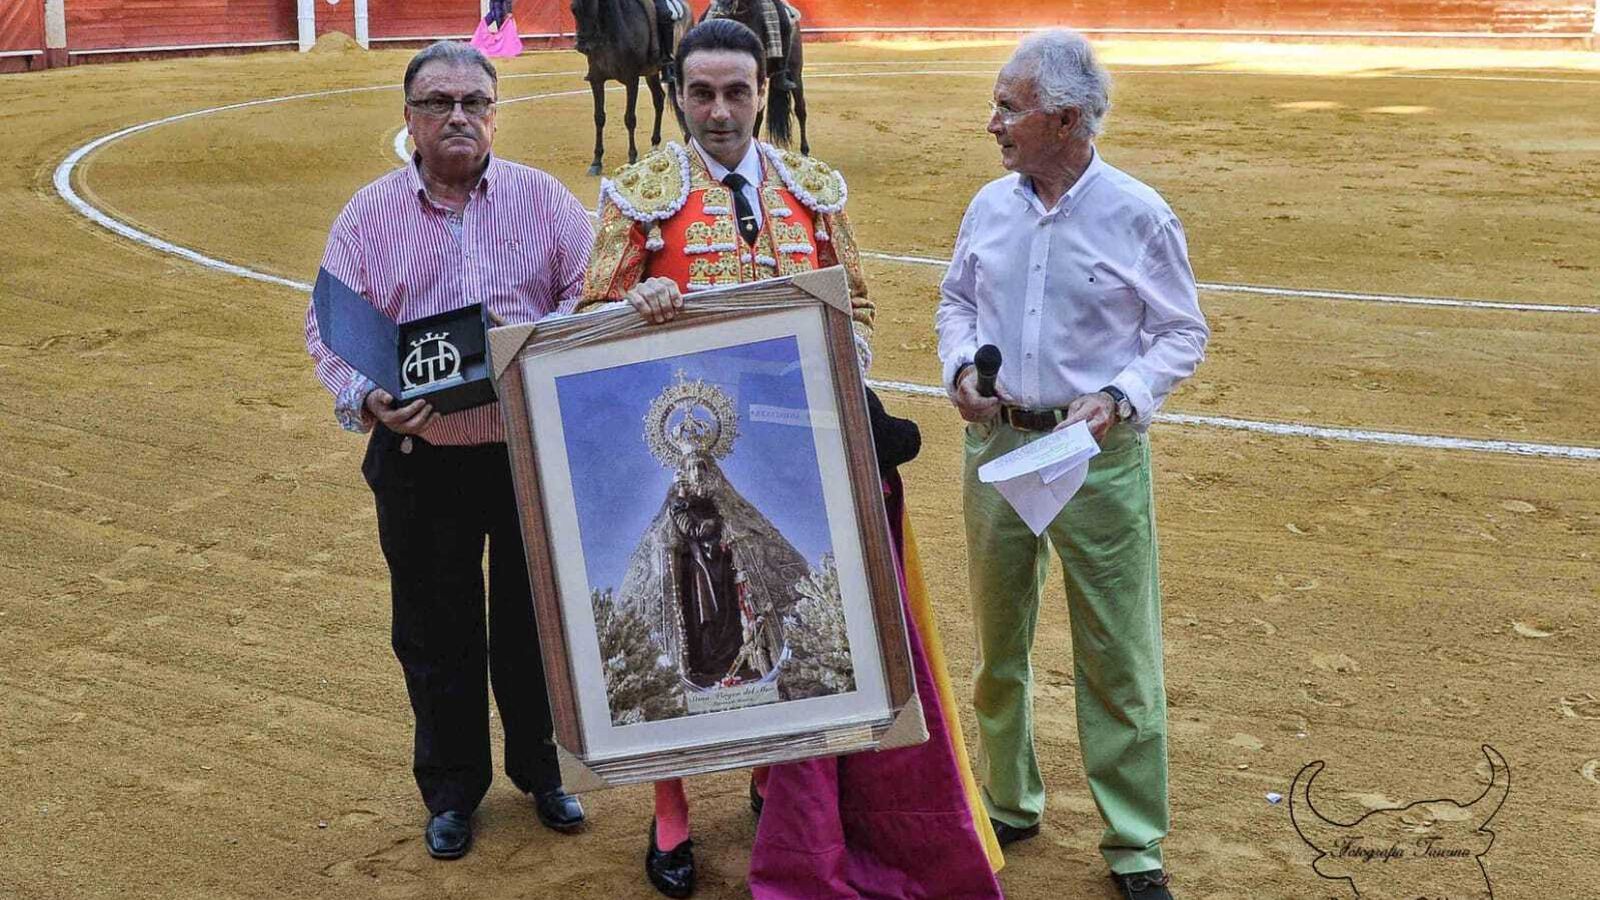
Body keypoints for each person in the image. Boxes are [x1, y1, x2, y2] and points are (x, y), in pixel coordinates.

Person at [582, 18, 999, 897]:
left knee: (778, 604)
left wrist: (838, 381)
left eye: (737, 92)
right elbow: (589, 325)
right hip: (691, 462)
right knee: (676, 616)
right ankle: (671, 811)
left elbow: (859, 309)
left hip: (799, 449)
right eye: (702, 93)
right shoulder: (639, 196)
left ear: (764, 90)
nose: (720, 111)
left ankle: (780, 779)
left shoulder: (813, 189)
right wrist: (635, 306)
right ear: (676, 94)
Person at [934, 29, 1210, 900]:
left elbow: (1181, 332)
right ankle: (1008, 802)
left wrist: (1121, 394)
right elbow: (955, 301)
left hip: (1096, 455)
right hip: (1000, 445)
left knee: (1118, 652)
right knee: (998, 643)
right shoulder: (989, 206)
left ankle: (1134, 842)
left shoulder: (1138, 213)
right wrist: (959, 369)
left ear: (1063, 118)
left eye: (1007, 108)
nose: (993, 123)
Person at [304, 41, 592, 861]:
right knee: (435, 629)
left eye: (474, 102)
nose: (457, 116)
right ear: (410, 118)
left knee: (540, 622)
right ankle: (453, 789)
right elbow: (328, 323)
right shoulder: (368, 215)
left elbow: (591, 290)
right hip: (421, 455)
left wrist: (533, 342)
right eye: (437, 103)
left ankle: (544, 770)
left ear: (496, 114)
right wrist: (368, 396)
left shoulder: (545, 201)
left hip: (528, 451)